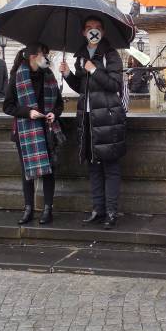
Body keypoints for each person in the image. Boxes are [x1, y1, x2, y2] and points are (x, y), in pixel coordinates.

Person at [60, 16, 127, 229]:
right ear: (83, 32)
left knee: (110, 167)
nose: (93, 31)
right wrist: (69, 74)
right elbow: (82, 88)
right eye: (89, 28)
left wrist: (94, 70)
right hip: (87, 117)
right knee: (93, 166)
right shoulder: (80, 56)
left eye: (97, 28)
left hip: (107, 117)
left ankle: (111, 212)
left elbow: (114, 84)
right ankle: (97, 209)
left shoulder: (111, 54)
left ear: (103, 32)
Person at [3, 44, 64, 225]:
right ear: (33, 56)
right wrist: (28, 112)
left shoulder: (49, 76)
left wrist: (55, 113)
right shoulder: (17, 76)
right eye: (44, 54)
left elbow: (59, 104)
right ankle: (28, 209)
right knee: (26, 173)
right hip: (25, 131)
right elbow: (7, 106)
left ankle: (47, 209)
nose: (47, 58)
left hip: (47, 129)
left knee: (49, 172)